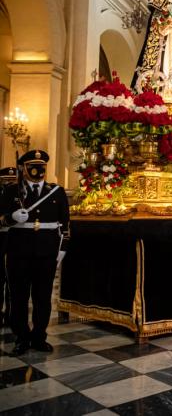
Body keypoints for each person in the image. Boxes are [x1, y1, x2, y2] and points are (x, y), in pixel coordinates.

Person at [1, 150, 70, 355]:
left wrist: (62, 249)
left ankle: (39, 336)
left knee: (42, 296)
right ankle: (22, 337)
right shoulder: (12, 191)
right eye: (33, 165)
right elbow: (1, 219)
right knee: (19, 296)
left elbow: (65, 224)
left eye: (42, 166)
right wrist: (12, 217)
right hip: (18, 252)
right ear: (24, 167)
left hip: (47, 252)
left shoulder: (56, 191)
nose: (38, 169)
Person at [0, 166, 18, 326]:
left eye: (12, 181)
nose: (9, 183)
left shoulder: (20, 195)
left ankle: (11, 314)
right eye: (6, 180)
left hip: (15, 240)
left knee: (14, 281)